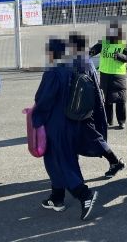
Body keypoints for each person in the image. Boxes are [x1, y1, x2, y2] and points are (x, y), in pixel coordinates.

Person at [32, 38, 98, 221]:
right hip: (73, 122)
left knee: (59, 162)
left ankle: (84, 194)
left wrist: (36, 119)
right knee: (66, 159)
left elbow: (43, 100)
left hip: (55, 124)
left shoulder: (53, 73)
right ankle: (57, 198)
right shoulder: (73, 68)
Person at [68, 33, 125, 179]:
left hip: (83, 108)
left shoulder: (80, 62)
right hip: (86, 106)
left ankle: (114, 161)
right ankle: (72, 168)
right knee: (79, 138)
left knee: (91, 136)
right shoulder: (84, 60)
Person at [89, 21, 127, 129]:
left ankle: (121, 121)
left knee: (120, 100)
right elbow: (93, 50)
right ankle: (108, 121)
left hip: (118, 75)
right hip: (105, 74)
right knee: (107, 100)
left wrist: (119, 56)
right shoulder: (103, 42)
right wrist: (90, 52)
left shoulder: (123, 44)